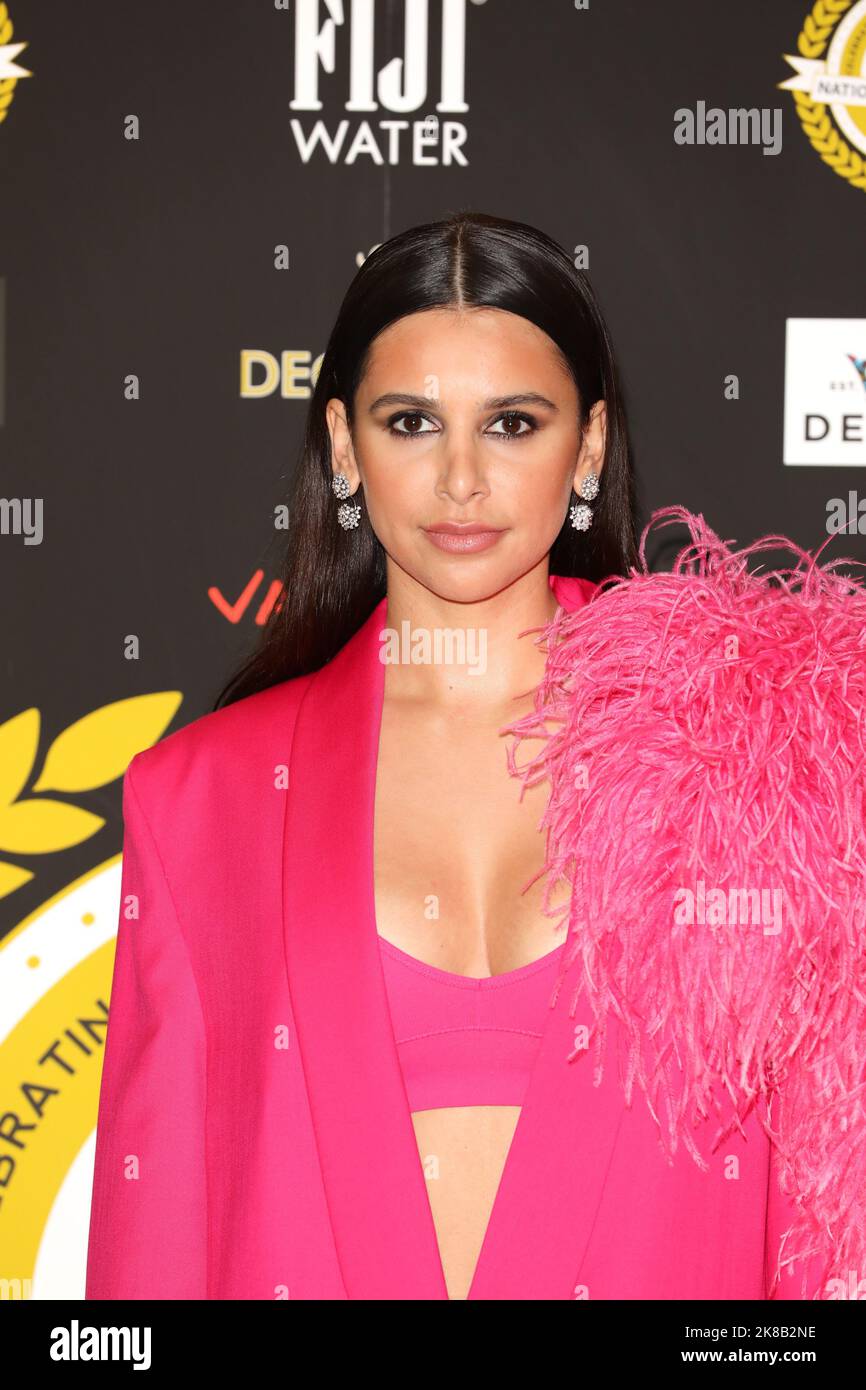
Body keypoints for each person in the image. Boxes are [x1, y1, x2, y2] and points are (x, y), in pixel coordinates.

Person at [85, 211, 864, 1301]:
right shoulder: (202, 797)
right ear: (343, 447)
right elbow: (150, 1247)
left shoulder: (749, 752)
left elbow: (819, 1210)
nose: (459, 478)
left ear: (585, 446)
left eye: (510, 423)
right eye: (410, 422)